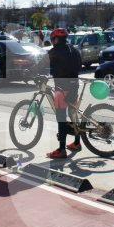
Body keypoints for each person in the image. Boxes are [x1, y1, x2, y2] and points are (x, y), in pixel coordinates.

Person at [46, 28, 82, 159]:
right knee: (72, 113)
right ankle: (77, 143)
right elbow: (79, 66)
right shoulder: (74, 50)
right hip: (75, 84)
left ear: (55, 39)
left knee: (61, 117)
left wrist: (30, 72)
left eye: (52, 39)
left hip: (61, 87)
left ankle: (61, 149)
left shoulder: (54, 52)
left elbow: (41, 65)